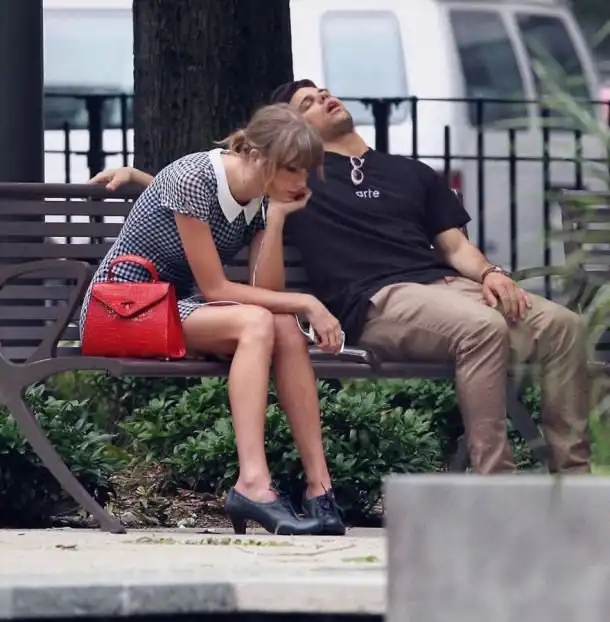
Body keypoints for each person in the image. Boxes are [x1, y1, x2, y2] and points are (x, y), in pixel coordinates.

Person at [90, 81, 591, 477]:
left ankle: (577, 485)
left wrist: (491, 273)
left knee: (566, 326)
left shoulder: (406, 172)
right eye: (306, 102)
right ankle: (496, 487)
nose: (324, 98)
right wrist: (143, 179)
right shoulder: (294, 178)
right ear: (290, 132)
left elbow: (455, 246)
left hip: (450, 288)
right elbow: (216, 184)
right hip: (377, 300)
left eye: (324, 92)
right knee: (480, 330)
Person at [82, 103, 347, 536]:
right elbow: (217, 290)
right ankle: (253, 483)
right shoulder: (195, 178)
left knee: (281, 324)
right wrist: (309, 303)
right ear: (257, 155)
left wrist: (276, 218)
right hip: (124, 307)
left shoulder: (261, 194)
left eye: (305, 171)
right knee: (257, 322)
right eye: (292, 169)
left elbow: (266, 287)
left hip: (176, 308)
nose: (301, 182)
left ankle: (320, 488)